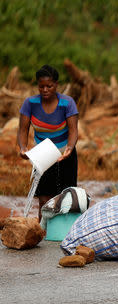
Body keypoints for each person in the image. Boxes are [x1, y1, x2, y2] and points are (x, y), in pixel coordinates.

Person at [17, 65, 79, 221]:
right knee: (44, 200)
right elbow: (23, 130)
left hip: (65, 152)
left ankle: (64, 235)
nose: (45, 89)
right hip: (43, 155)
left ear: (56, 85)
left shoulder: (67, 103)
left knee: (67, 198)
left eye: (49, 86)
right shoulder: (30, 104)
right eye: (41, 86)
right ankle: (42, 235)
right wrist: (23, 148)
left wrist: (70, 149)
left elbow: (73, 131)